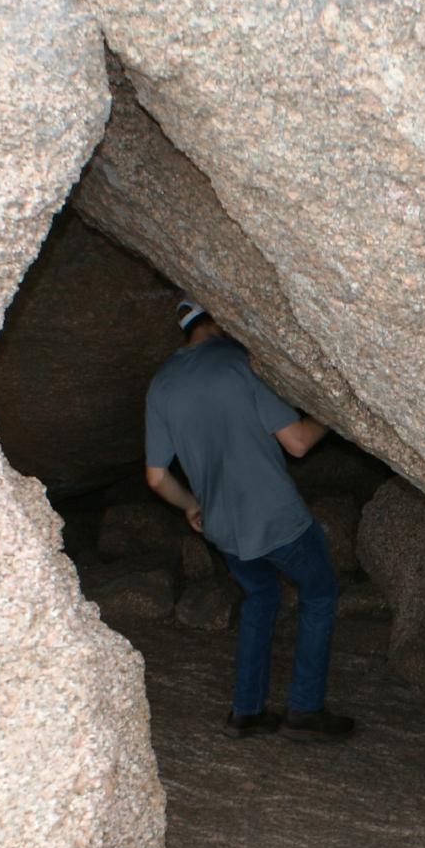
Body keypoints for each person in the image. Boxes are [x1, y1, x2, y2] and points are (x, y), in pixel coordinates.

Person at [144, 300, 356, 741]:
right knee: (319, 595)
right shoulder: (240, 364)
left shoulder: (161, 385)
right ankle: (304, 710)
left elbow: (156, 476)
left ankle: (246, 712)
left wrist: (190, 505)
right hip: (276, 517)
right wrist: (335, 416)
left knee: (260, 598)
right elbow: (297, 442)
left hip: (223, 528)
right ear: (219, 318)